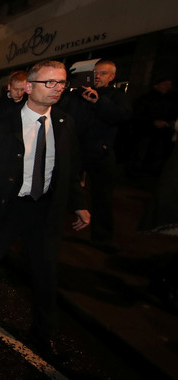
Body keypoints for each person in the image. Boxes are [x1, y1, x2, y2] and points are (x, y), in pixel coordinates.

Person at [0, 60, 90, 358]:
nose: (57, 89)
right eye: (49, 83)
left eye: (61, 83)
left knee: (45, 273)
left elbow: (69, 170)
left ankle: (43, 332)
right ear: (29, 88)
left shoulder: (65, 123)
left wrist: (79, 205)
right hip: (8, 206)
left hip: (45, 211)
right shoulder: (2, 124)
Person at [59, 60, 132, 253]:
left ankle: (102, 237)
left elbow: (123, 116)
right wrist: (72, 88)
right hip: (75, 151)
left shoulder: (116, 97)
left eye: (104, 73)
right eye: (96, 73)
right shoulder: (77, 95)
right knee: (63, 189)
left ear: (112, 77)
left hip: (101, 152)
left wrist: (99, 102)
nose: (98, 76)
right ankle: (55, 229)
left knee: (103, 196)